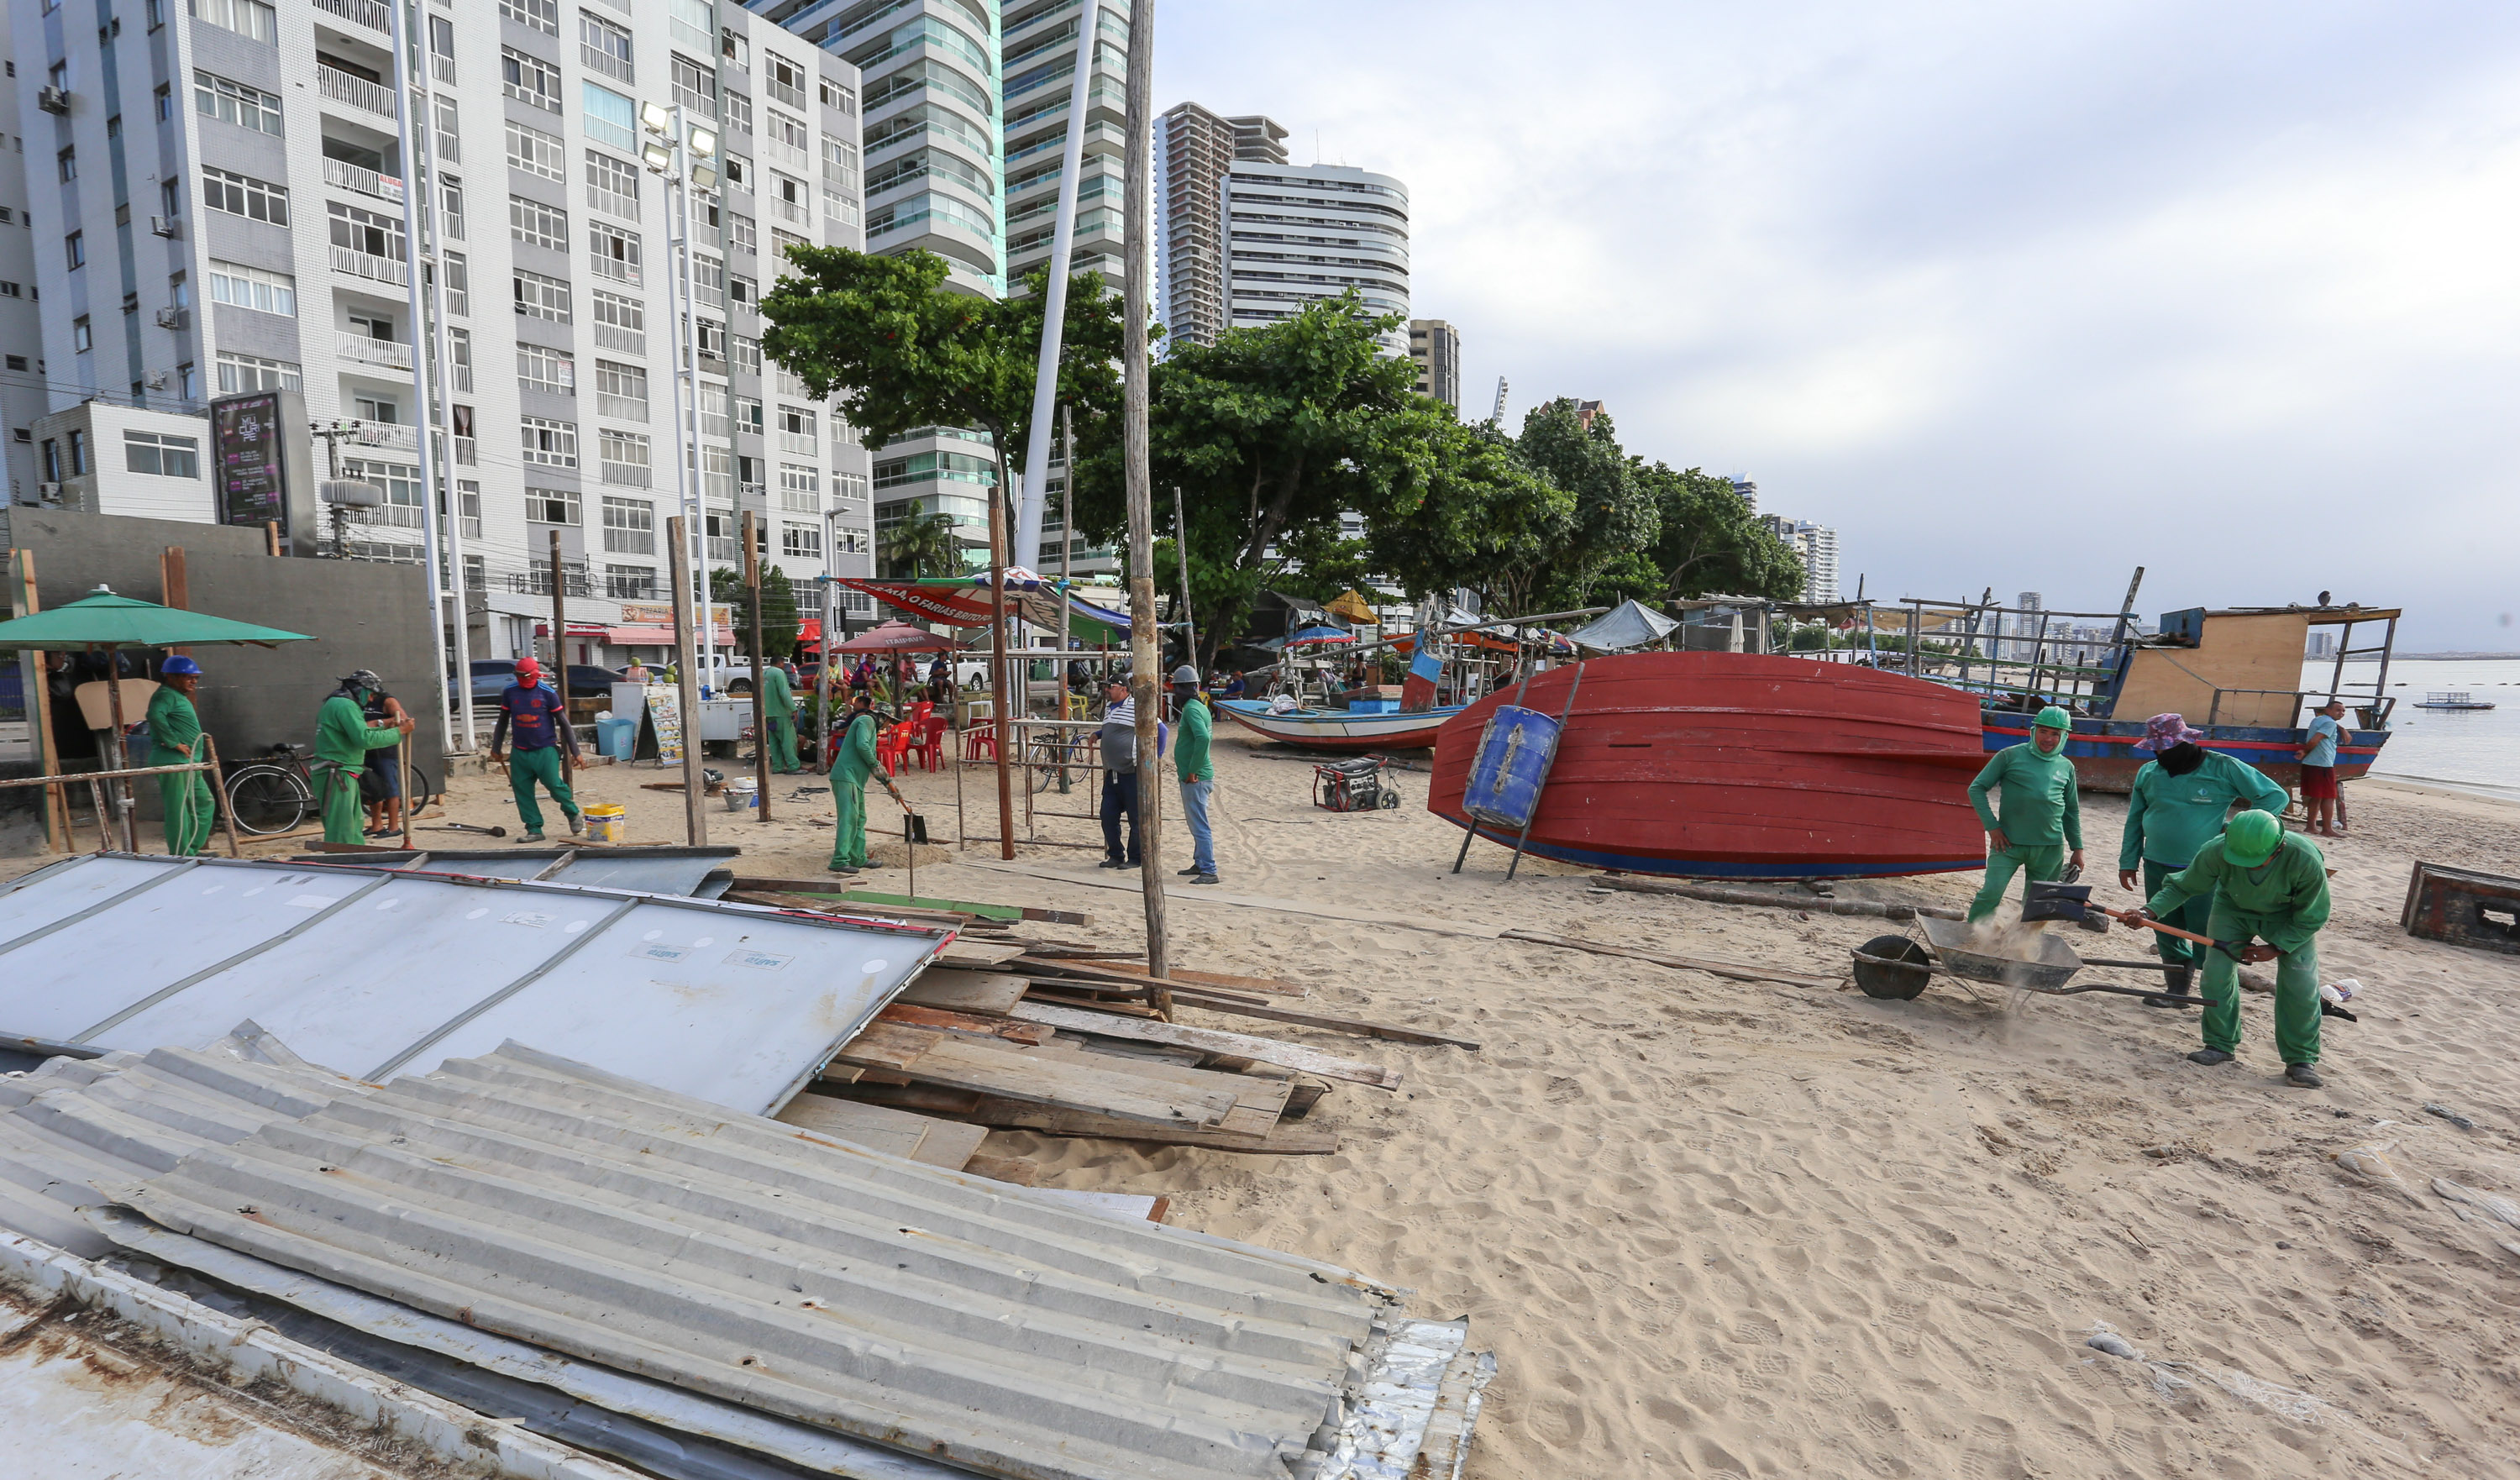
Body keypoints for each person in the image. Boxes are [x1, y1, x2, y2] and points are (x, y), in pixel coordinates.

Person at [2131, 808, 2332, 1087]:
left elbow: (2315, 914)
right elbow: (2183, 886)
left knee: (2301, 984)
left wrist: (2277, 947)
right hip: (2233, 910)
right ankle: (2220, 1044)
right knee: (2215, 974)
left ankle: (2301, 1059)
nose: (2249, 866)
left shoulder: (2305, 858)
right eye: (2242, 861)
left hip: (2291, 917)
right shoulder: (2217, 849)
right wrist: (2149, 911)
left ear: (2279, 846)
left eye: (2257, 862)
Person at [2117, 712, 2290, 1007]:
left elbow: (2274, 797)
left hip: (2205, 868)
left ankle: (2219, 997)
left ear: (2185, 742)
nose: (2160, 755)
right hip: (2156, 863)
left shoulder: (2223, 768)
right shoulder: (2149, 772)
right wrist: (2128, 860)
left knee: (2207, 933)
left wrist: (2238, 832)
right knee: (2164, 928)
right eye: (2156, 750)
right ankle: (2176, 992)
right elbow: (2135, 818)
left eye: (2166, 749)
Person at [1965, 705, 2084, 922]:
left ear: (2065, 736)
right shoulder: (2009, 756)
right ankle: (1972, 936)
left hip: (2049, 849)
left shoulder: (2066, 767)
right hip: (2007, 844)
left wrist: (2078, 848)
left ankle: (2021, 946)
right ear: (2033, 731)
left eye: (2056, 733)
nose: (2048, 738)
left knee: (2037, 904)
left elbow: (2071, 810)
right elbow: (1976, 788)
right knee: (1991, 893)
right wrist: (1992, 827)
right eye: (2043, 731)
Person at [488, 657, 581, 842]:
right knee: (522, 790)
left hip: (545, 749)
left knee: (554, 784)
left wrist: (576, 752)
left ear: (535, 675)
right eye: (519, 676)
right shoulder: (510, 692)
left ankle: (572, 813)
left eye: (525, 676)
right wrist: (496, 747)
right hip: (520, 751)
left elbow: (564, 723)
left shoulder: (548, 693)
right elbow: (503, 721)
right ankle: (534, 828)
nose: (522, 680)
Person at [313, 672, 411, 845]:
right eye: (371, 693)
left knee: (352, 824)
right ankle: (344, 865)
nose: (372, 699)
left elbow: (359, 733)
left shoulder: (337, 703)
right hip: (338, 772)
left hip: (341, 770)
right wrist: (399, 732)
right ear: (360, 689)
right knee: (343, 829)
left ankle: (355, 860)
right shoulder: (345, 705)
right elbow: (364, 739)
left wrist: (387, 730)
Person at [145, 655, 214, 855]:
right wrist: (174, 742)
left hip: (189, 762)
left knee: (204, 804)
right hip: (174, 761)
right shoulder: (165, 695)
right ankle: (181, 853)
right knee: (179, 810)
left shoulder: (176, 697)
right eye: (188, 677)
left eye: (196, 678)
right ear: (171, 677)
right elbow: (154, 715)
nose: (193, 681)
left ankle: (191, 849)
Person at [1170, 665, 1218, 884]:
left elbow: (1203, 739)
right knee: (1196, 823)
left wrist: (1192, 770)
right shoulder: (1199, 706)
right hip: (1198, 774)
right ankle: (1200, 862)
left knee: (1199, 825)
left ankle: (1209, 870)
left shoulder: (1191, 709)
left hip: (1196, 777)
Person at [827, 692, 879, 874]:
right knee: (849, 819)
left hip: (856, 780)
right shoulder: (867, 721)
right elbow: (862, 746)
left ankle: (858, 857)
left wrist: (886, 780)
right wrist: (875, 764)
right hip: (846, 777)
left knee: (859, 818)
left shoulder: (869, 724)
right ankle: (839, 860)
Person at [1098, 678, 1142, 869]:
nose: (1107, 690)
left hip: (1131, 771)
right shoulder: (1109, 707)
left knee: (1136, 818)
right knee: (1107, 815)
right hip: (1112, 771)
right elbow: (1113, 729)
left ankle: (1135, 858)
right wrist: (1098, 734)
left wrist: (1152, 758)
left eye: (1111, 687)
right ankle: (1115, 854)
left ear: (1124, 689)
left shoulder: (1136, 707)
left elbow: (1160, 730)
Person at [359, 676, 411, 837]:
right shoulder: (359, 702)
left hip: (386, 751)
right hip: (368, 749)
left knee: (390, 788)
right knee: (373, 788)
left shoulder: (387, 700)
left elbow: (402, 719)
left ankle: (394, 826)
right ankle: (376, 825)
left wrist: (379, 722)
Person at [2297, 699, 2347, 837]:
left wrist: (2341, 728)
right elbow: (2315, 740)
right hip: (2322, 764)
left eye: (2343, 711)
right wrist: (2305, 751)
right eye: (2338, 710)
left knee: (2316, 796)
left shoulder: (2317, 720)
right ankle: (2327, 829)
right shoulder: (2330, 723)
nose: (2341, 713)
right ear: (2328, 710)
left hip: (2311, 763)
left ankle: (2311, 827)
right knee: (2329, 797)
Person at [759, 657, 801, 773]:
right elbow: (784, 693)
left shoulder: (763, 673)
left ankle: (777, 767)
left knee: (774, 742)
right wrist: (793, 709)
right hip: (781, 713)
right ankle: (793, 766)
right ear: (780, 663)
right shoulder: (779, 673)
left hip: (767, 714)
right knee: (788, 740)